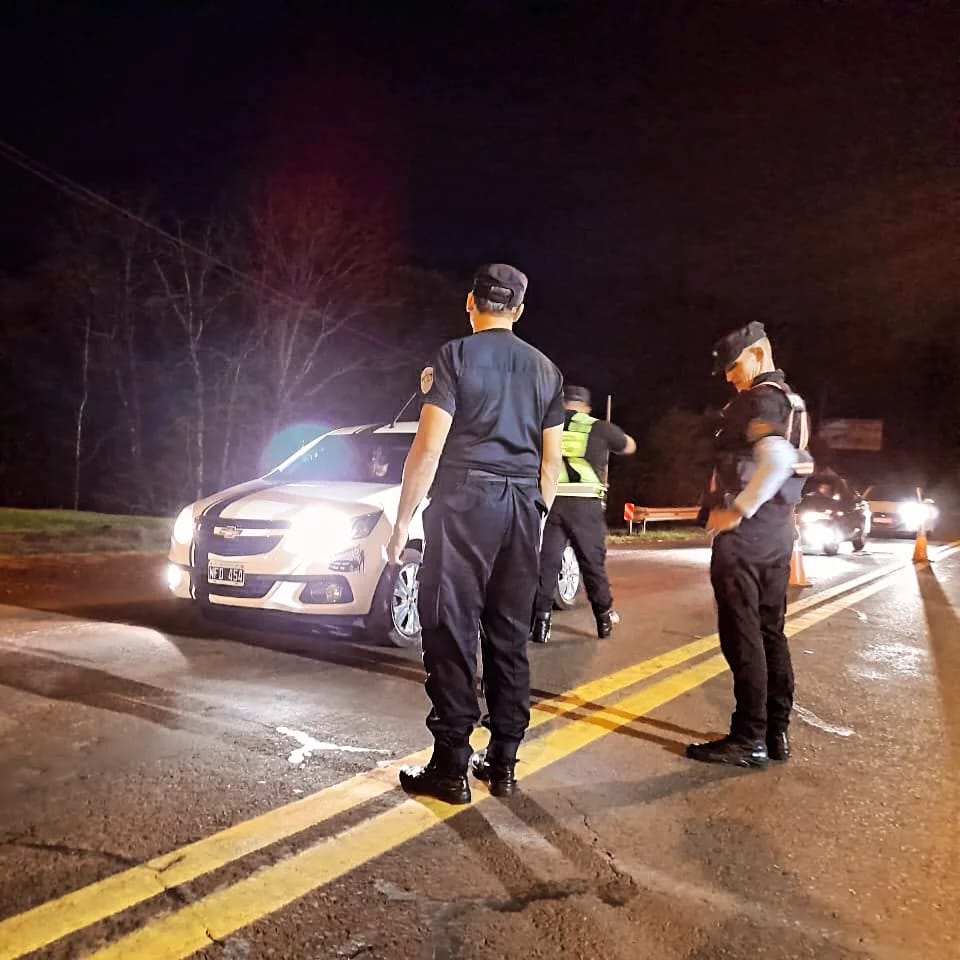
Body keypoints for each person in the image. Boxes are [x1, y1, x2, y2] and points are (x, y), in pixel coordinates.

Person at [386, 263, 565, 804]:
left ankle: (451, 766)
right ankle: (504, 762)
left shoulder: (454, 357)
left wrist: (402, 520)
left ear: (471, 302)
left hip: (465, 500)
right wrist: (534, 517)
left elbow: (428, 448)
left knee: (451, 626)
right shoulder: (548, 371)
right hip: (522, 506)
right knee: (508, 634)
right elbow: (551, 465)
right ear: (519, 310)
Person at [687, 321, 812, 768]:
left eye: (733, 366)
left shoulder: (759, 400)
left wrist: (736, 510)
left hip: (747, 538)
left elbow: (776, 458)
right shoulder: (791, 400)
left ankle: (748, 738)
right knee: (770, 631)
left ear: (758, 354)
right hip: (778, 533)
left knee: (743, 637)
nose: (729, 376)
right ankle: (775, 732)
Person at [530, 385, 636, 643]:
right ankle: (603, 619)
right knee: (592, 564)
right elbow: (629, 446)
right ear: (586, 407)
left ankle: (540, 623)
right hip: (585, 505)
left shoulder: (547, 425)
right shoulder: (598, 427)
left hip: (552, 501)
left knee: (546, 563)